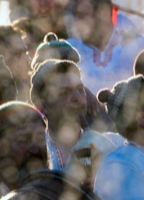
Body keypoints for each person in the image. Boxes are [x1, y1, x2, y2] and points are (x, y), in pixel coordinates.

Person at [30, 59, 119, 188]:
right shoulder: (34, 153)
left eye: (80, 89)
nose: (78, 98)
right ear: (43, 106)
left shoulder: (114, 144)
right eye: (64, 93)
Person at [67, 0, 144, 93]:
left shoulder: (140, 45)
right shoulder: (68, 51)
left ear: (104, 13)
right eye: (75, 16)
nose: (76, 23)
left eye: (82, 15)